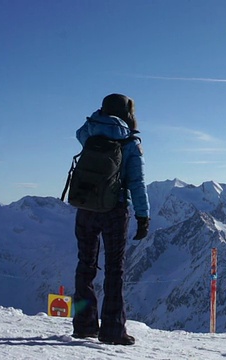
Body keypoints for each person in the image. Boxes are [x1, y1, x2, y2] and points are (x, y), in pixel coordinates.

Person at [72, 93, 150, 345]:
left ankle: (84, 325)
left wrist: (99, 116)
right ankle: (113, 331)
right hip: (115, 211)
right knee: (115, 271)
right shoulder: (129, 142)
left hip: (86, 207)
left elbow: (79, 132)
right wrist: (143, 216)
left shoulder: (90, 133)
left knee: (85, 266)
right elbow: (136, 182)